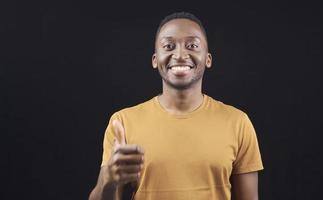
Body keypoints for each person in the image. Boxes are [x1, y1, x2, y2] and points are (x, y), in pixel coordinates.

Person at [89, 12, 263, 200]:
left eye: (192, 46)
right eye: (169, 46)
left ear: (208, 58)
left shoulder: (238, 123)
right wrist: (108, 180)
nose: (180, 55)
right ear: (155, 60)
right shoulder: (123, 122)